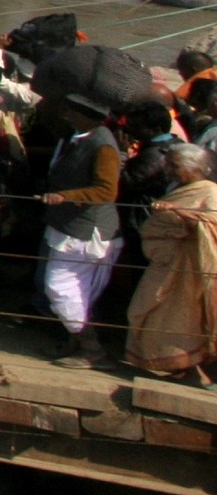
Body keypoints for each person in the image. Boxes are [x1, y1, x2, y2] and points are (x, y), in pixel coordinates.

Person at [40, 95, 124, 367]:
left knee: (60, 288)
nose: (67, 116)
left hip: (87, 231)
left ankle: (92, 348)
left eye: (72, 112)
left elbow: (106, 190)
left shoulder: (103, 146)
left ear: (87, 115)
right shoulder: (80, 137)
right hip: (69, 226)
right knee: (78, 292)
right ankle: (76, 343)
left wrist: (66, 196)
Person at [128, 142, 217, 384]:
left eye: (174, 166)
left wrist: (178, 211)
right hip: (166, 264)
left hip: (191, 269)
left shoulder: (209, 191)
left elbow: (212, 223)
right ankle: (176, 365)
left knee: (183, 320)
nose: (169, 170)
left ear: (195, 168)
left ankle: (193, 370)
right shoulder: (179, 187)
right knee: (144, 310)